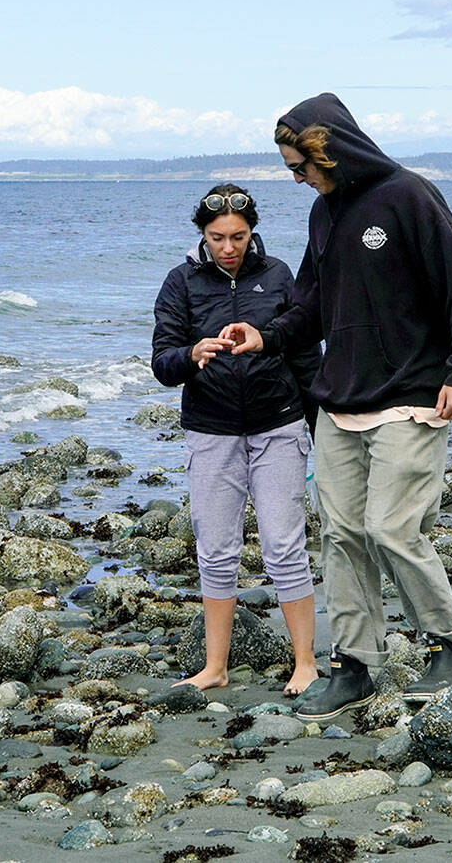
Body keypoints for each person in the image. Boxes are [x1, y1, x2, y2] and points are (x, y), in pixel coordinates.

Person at [220, 93, 452, 721]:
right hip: (339, 396)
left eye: (301, 167)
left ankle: (450, 644)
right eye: (291, 170)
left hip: (414, 392)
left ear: (331, 152)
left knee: (392, 528)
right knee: (342, 534)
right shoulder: (325, 212)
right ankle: (356, 663)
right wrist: (267, 334)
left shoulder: (409, 195)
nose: (297, 180)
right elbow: (313, 301)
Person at [151, 183, 322, 696]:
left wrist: (320, 429)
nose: (229, 247)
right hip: (210, 429)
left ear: (253, 232)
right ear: (201, 234)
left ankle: (306, 663)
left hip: (279, 425)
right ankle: (215, 667)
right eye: (218, 237)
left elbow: (304, 351)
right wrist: (190, 354)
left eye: (239, 236)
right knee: (216, 550)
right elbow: (162, 362)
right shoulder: (181, 282)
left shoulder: (278, 276)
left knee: (284, 546)